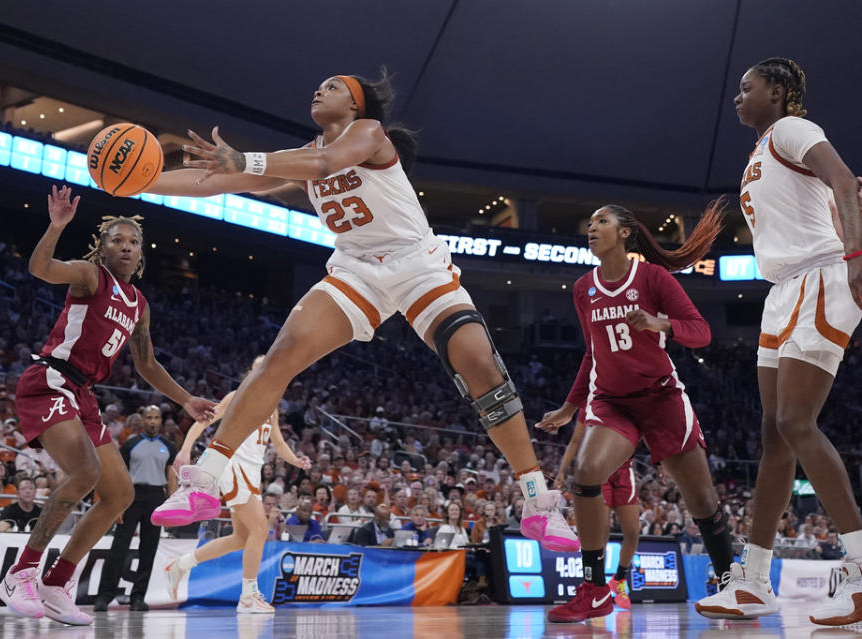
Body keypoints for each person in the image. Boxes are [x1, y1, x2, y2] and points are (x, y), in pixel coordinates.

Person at [147, 71, 577, 553]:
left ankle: (539, 501)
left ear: (355, 105)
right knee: (279, 356)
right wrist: (143, 182)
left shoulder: (371, 134)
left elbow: (328, 160)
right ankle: (204, 481)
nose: (317, 90)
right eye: (317, 86)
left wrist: (246, 156)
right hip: (356, 271)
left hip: (417, 265)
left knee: (478, 363)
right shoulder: (302, 154)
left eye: (332, 87)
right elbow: (215, 182)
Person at [0, 186, 214, 625]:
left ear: (141, 253)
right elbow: (40, 268)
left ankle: (57, 582)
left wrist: (186, 399)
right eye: (117, 239)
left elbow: (147, 363)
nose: (126, 246)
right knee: (87, 473)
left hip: (83, 395)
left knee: (120, 494)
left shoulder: (139, 305)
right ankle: (20, 572)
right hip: (50, 381)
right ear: (103, 247)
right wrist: (57, 226)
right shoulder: (91, 276)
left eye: (133, 241)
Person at [694, 58, 862, 626]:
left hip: (820, 273)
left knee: (795, 422)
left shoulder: (793, 130)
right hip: (783, 289)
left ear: (779, 91)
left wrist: (857, 257)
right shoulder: (761, 151)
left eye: (748, 88)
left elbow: (843, 180)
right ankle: (754, 582)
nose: (738, 97)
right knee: (773, 436)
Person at [537, 201, 732, 624]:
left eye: (602, 222)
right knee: (586, 474)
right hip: (612, 401)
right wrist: (571, 407)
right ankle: (594, 590)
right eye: (589, 223)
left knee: (701, 498)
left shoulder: (653, 277)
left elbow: (701, 332)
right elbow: (592, 354)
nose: (592, 228)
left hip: (661, 398)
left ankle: (730, 581)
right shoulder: (582, 288)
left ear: (625, 232)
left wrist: (660, 323)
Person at [164, 361, 311, 614]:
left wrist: (296, 460)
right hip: (233, 466)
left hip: (253, 473)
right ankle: (248, 595)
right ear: (250, 373)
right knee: (260, 529)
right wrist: (186, 448)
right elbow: (204, 421)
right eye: (259, 368)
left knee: (241, 538)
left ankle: (180, 565)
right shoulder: (237, 396)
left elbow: (278, 442)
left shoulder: (271, 406)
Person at [95, 405, 178, 612]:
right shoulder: (130, 444)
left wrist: (172, 504)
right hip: (131, 496)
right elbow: (120, 475)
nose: (152, 421)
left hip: (156, 497)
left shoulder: (169, 445)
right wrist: (118, 504)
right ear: (141, 420)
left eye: (156, 417)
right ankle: (104, 596)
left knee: (148, 550)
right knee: (118, 548)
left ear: (160, 420)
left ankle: (138, 597)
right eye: (148, 417)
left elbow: (170, 476)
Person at [553, 414, 641, 610]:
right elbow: (576, 440)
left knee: (633, 532)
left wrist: (661, 463)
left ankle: (618, 580)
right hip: (600, 470)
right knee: (601, 531)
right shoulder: (590, 402)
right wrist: (562, 471)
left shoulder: (631, 396)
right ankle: (597, 586)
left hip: (625, 471)